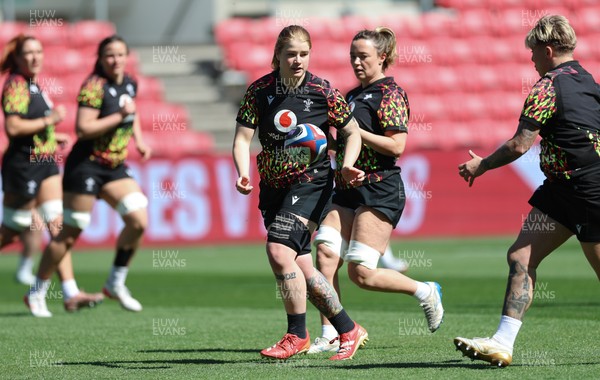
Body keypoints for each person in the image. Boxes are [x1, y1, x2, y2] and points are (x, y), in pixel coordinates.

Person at [454, 15, 600, 367]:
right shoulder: (588, 81)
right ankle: (502, 342)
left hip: (586, 188)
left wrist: (482, 165)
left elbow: (520, 145)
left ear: (547, 51)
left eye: (533, 53)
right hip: (563, 189)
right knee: (521, 257)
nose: (531, 60)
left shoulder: (547, 87)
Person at [233, 25, 369, 361]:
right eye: (291, 54)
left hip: (313, 184)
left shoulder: (323, 91)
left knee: (279, 252)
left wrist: (348, 164)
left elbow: (352, 133)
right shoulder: (259, 91)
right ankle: (348, 328)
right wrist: (243, 172)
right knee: (304, 269)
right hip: (274, 188)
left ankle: (297, 335)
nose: (298, 60)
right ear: (277, 54)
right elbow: (241, 139)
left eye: (304, 54)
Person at [308, 27, 444, 354]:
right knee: (324, 253)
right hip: (346, 189)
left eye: (363, 56)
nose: (356, 61)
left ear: (382, 57)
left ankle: (425, 291)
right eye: (352, 55)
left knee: (361, 274)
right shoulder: (351, 96)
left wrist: (356, 132)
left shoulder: (391, 93)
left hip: (379, 188)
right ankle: (332, 332)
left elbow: (396, 145)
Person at [26, 35, 151, 316]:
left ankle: (115, 282)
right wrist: (119, 116)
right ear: (100, 58)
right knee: (69, 234)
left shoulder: (129, 81)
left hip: (114, 167)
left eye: (120, 54)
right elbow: (83, 129)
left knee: (138, 220)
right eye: (109, 55)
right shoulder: (94, 87)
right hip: (86, 165)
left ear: (127, 56)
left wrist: (139, 141)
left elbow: (134, 112)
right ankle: (36, 292)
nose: (115, 60)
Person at [0, 34, 104, 316]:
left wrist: (51, 136)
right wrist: (49, 120)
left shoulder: (35, 86)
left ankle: (67, 293)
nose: (35, 57)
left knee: (59, 227)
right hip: (23, 167)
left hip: (44, 162)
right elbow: (13, 128)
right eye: (28, 53)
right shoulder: (17, 85)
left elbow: (30, 127)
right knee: (11, 230)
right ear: (18, 59)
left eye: (38, 52)